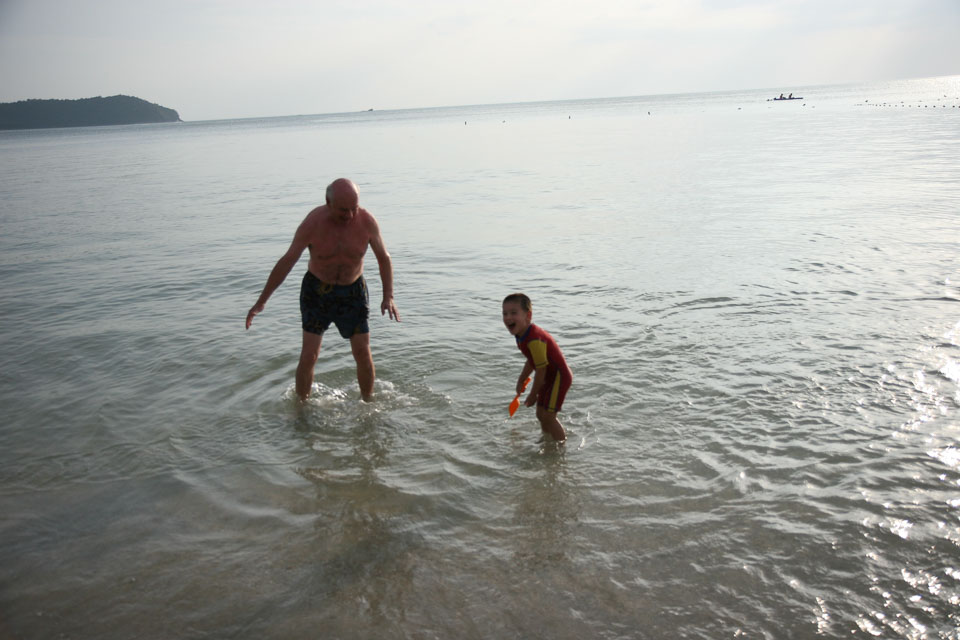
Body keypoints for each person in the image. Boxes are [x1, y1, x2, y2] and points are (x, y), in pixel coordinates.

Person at [245, 178, 400, 402]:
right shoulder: (312, 224)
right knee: (310, 355)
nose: (349, 215)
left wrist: (388, 296)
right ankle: (301, 407)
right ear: (328, 202)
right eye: (343, 210)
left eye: (354, 208)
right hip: (317, 292)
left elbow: (384, 258)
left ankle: (368, 403)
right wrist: (262, 301)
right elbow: (288, 261)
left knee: (362, 352)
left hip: (352, 292)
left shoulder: (366, 221)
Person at [502, 293, 572, 443]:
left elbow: (541, 369)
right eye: (505, 313)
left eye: (513, 313)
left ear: (528, 316)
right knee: (540, 414)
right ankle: (547, 440)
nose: (508, 317)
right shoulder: (521, 335)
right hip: (548, 377)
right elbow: (532, 360)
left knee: (548, 416)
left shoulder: (534, 338)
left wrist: (533, 394)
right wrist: (521, 379)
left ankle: (561, 447)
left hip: (559, 377)